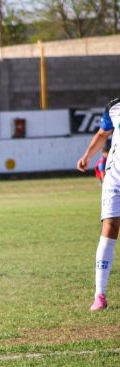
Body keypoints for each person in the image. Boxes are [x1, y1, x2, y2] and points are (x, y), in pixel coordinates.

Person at [76, 97, 120, 311]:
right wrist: (87, 155)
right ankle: (99, 295)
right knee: (109, 226)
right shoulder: (113, 107)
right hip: (115, 176)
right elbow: (103, 133)